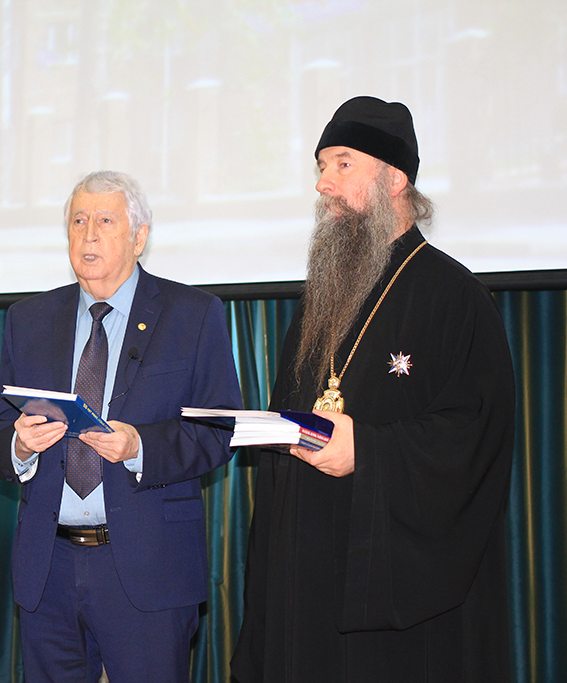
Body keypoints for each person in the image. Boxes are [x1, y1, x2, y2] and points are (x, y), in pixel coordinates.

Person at [231, 97, 515, 682]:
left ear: (395, 177)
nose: (323, 184)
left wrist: (367, 450)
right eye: (321, 168)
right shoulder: (322, 297)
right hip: (306, 581)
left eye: (342, 164)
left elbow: (475, 439)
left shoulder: (454, 297)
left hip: (393, 602)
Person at [0, 170, 241, 682]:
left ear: (139, 237)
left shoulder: (192, 314)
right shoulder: (28, 318)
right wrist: (19, 445)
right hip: (48, 567)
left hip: (148, 568)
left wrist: (141, 445)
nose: (89, 234)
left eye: (105, 221)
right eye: (78, 221)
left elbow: (219, 429)